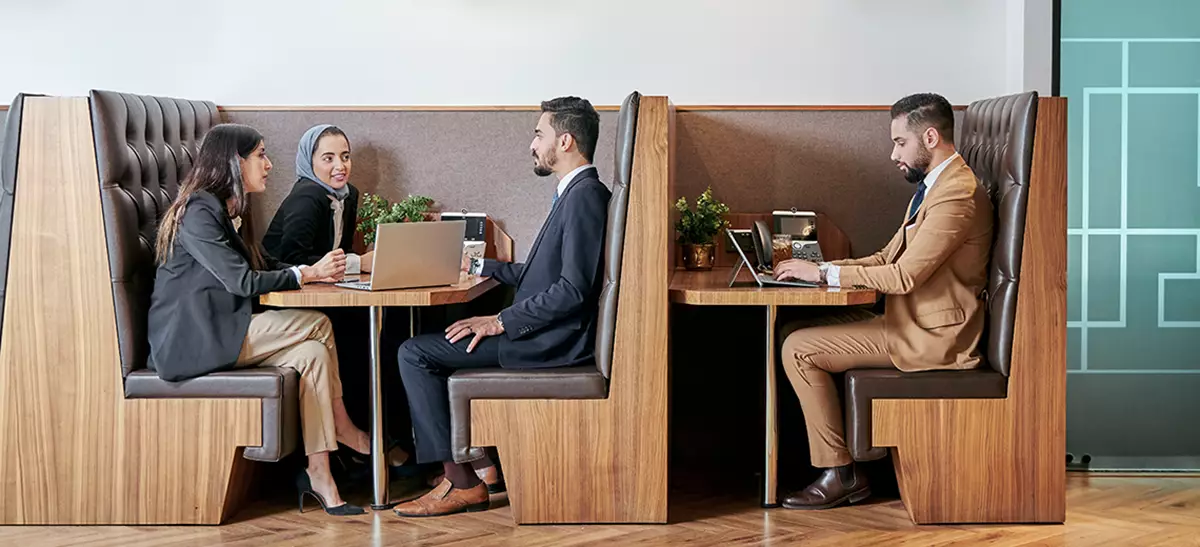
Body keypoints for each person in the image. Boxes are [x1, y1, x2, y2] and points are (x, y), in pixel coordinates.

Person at [771, 93, 993, 510]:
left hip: (933, 336)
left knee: (798, 349)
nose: (894, 154)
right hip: (909, 320)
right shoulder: (936, 188)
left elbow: (905, 276)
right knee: (790, 329)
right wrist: (819, 267)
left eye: (899, 142)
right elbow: (885, 258)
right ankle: (817, 461)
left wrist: (820, 274)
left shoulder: (956, 195)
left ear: (930, 136)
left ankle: (841, 473)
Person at [391, 97, 610, 517]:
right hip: (543, 335)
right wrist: (479, 265)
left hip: (551, 345)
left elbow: (573, 289)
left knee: (413, 353)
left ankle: (462, 482)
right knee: (435, 340)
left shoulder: (585, 197)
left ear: (564, 141)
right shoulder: (576, 192)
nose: (532, 144)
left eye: (539, 134)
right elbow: (545, 274)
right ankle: (482, 466)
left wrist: (499, 321)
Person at [147, 123, 374, 516]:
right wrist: (308, 274)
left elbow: (259, 264)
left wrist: (309, 270)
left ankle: (319, 474)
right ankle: (342, 425)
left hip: (224, 326)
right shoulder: (199, 210)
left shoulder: (226, 207)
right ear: (236, 162)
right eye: (261, 156)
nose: (269, 165)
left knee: (312, 356)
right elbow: (240, 280)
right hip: (194, 339)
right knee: (319, 324)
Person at [262, 124, 415, 476]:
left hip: (325, 294)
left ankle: (386, 438)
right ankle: (371, 441)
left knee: (387, 329)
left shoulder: (348, 194)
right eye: (327, 158)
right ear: (309, 161)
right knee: (370, 338)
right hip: (289, 301)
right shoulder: (307, 197)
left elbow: (334, 252)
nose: (339, 166)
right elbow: (294, 261)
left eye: (344, 157)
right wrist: (359, 263)